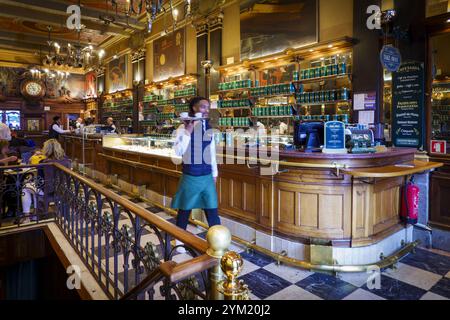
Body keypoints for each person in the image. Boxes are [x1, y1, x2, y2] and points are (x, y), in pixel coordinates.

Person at [171, 97, 221, 249]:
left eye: (208, 107)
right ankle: (179, 242)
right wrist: (188, 131)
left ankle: (218, 243)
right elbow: (178, 152)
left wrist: (214, 174)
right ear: (194, 108)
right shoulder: (182, 128)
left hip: (206, 175)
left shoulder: (208, 128)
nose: (206, 110)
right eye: (203, 107)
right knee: (184, 210)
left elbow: (211, 153)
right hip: (190, 175)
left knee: (212, 210)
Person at [21, 139, 70, 222]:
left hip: (47, 189)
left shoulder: (43, 162)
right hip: (61, 189)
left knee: (26, 187)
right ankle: (36, 214)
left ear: (46, 149)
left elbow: (39, 180)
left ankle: (27, 216)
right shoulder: (66, 160)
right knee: (35, 188)